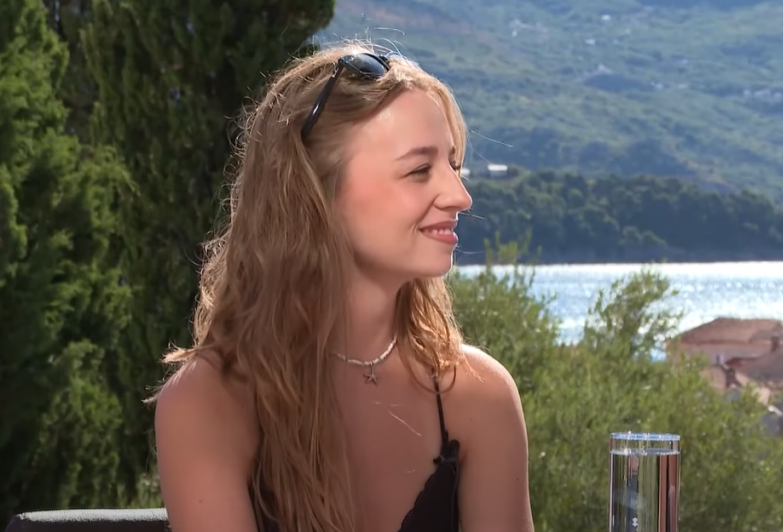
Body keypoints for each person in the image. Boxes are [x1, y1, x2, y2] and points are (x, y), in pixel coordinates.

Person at [152, 41, 534, 532]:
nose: (460, 196)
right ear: (317, 193)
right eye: (419, 170)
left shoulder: (479, 398)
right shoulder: (210, 403)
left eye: (454, 166)